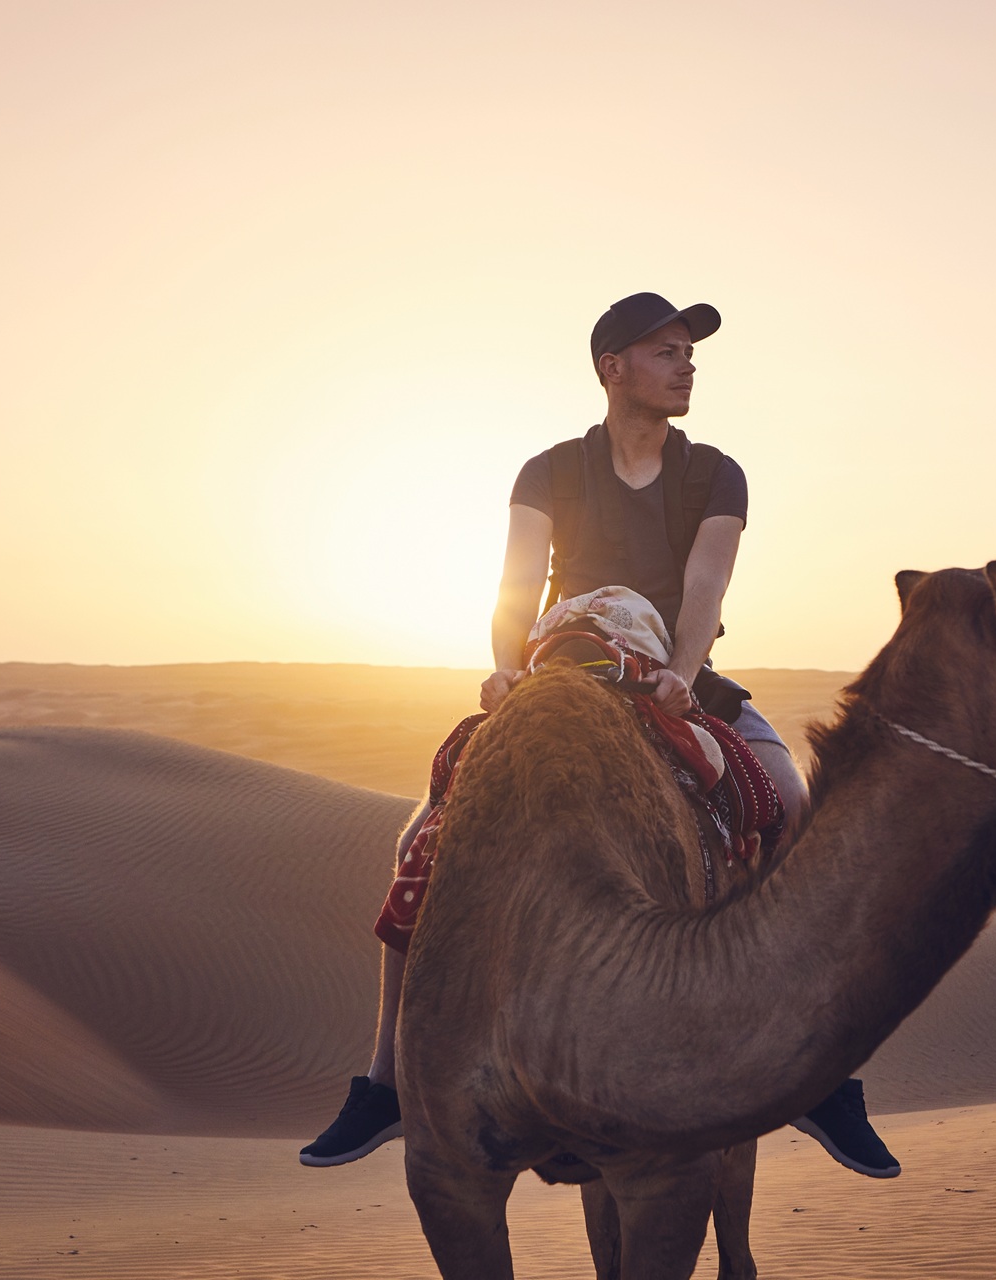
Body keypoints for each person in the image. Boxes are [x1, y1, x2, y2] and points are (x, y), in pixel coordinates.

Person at [299, 292, 899, 1179]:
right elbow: (516, 583)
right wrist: (505, 668)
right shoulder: (549, 471)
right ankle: (387, 1082)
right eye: (666, 351)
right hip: (560, 674)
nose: (686, 365)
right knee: (423, 838)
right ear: (612, 368)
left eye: (689, 353)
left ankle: (819, 1077)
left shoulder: (715, 474)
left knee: (792, 805)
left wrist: (683, 678)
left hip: (679, 673)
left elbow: (707, 587)